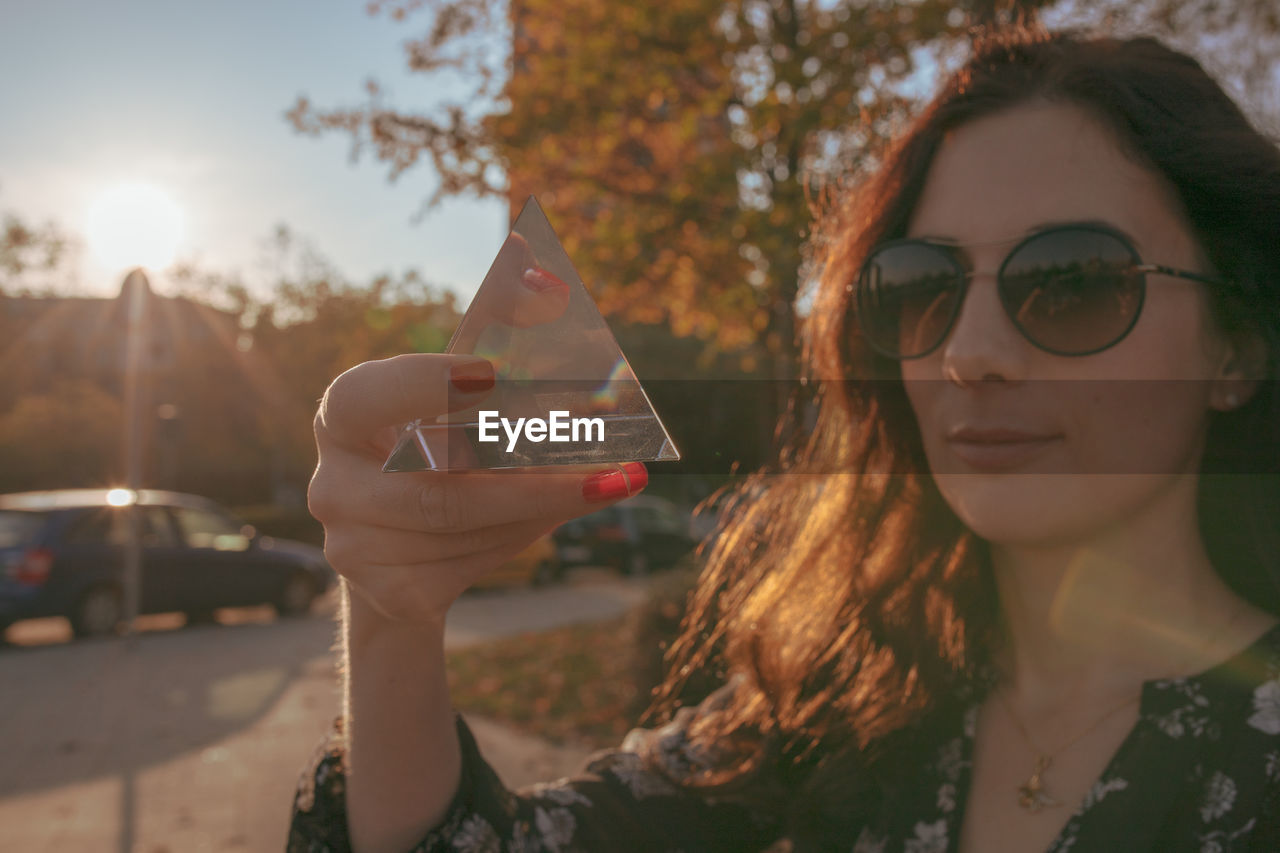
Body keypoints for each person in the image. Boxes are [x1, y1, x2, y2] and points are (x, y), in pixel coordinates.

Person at [287, 21, 1280, 853]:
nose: (966, 354)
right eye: (920, 288)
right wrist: (389, 615)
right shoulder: (838, 703)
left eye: (1067, 280)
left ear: (1235, 343)